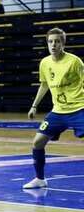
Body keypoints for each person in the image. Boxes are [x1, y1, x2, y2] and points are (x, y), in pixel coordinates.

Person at [24, 28, 84, 189]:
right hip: (58, 111)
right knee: (37, 143)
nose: (53, 45)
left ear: (63, 43)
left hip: (79, 109)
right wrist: (34, 106)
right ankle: (40, 179)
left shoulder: (74, 62)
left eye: (57, 41)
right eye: (50, 41)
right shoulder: (45, 63)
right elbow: (44, 85)